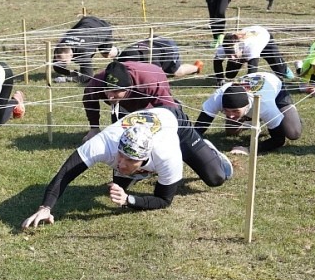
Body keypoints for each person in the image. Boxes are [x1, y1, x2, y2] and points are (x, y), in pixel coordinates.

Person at [22, 109, 198, 229]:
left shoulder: (167, 154)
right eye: (120, 155)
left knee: (216, 177)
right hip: (148, 120)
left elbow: (164, 200)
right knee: (119, 184)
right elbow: (65, 174)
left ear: (145, 158)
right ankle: (137, 171)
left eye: (130, 160)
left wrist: (129, 200)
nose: (121, 163)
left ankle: (205, 149)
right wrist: (45, 207)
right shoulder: (104, 143)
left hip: (176, 120)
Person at [79, 60, 233, 188]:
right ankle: (141, 169)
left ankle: (208, 151)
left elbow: (168, 115)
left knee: (215, 178)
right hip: (126, 108)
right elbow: (89, 97)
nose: (110, 96)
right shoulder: (99, 82)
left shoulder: (151, 80)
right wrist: (94, 128)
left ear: (129, 87)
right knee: (129, 145)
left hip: (157, 108)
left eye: (115, 92)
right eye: (107, 91)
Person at [195, 72, 302, 155]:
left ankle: (288, 110)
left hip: (275, 88)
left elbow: (278, 140)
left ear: (246, 107)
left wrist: (248, 149)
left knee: (293, 133)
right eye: (227, 110)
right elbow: (198, 128)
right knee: (231, 132)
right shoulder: (217, 98)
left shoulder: (265, 105)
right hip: (251, 89)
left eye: (235, 111)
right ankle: (250, 117)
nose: (230, 116)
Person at [211, 25, 290, 82]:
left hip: (264, 39)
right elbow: (217, 61)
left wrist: (246, 86)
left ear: (240, 47)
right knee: (230, 75)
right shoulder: (223, 46)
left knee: (281, 72)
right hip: (245, 48)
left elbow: (252, 72)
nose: (231, 57)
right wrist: (220, 79)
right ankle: (240, 58)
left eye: (233, 53)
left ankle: (284, 68)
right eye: (228, 54)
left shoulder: (252, 48)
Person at [52, 15, 117, 83]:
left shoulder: (83, 52)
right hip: (86, 21)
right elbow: (57, 67)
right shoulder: (60, 47)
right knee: (84, 62)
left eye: (64, 62)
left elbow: (88, 77)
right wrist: (71, 73)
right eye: (59, 60)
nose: (62, 63)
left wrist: (66, 79)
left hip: (102, 27)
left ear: (71, 55)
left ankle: (118, 52)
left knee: (106, 54)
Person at [117, 38, 203, 78]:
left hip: (168, 48)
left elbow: (158, 75)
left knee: (177, 72)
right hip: (155, 42)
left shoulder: (150, 58)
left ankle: (196, 67)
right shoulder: (124, 56)